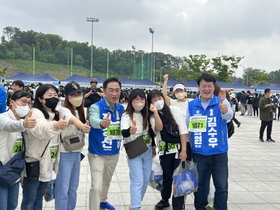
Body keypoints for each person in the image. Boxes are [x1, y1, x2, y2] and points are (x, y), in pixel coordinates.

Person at [186, 73, 233, 210]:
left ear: (214, 87)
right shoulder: (191, 105)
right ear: (198, 87)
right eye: (204, 86)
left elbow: (229, 116)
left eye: (209, 86)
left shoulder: (221, 102)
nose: (207, 89)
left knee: (222, 187)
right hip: (199, 153)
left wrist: (225, 110)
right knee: (200, 188)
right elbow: (187, 127)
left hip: (219, 153)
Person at [21, 84, 68, 210]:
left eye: (55, 95)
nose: (54, 98)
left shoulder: (54, 114)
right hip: (35, 162)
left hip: (48, 163)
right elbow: (42, 130)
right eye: (50, 95)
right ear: (41, 99)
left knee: (39, 198)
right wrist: (56, 125)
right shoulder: (35, 113)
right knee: (29, 199)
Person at [121, 89, 162, 210]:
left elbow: (157, 129)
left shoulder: (148, 114)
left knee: (145, 180)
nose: (139, 102)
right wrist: (130, 131)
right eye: (136, 99)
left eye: (142, 99)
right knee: (137, 180)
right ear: (131, 101)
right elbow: (124, 132)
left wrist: (155, 113)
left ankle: (136, 202)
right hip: (134, 151)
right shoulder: (126, 115)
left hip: (148, 150)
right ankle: (136, 207)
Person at [147, 89, 188, 210]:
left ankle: (179, 205)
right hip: (165, 151)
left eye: (159, 98)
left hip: (178, 150)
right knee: (167, 177)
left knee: (178, 177)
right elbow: (158, 128)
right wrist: (155, 113)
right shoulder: (152, 116)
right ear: (150, 103)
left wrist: (184, 150)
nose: (158, 101)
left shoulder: (174, 110)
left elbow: (183, 131)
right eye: (154, 100)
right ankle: (165, 199)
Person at [88, 77, 124, 210]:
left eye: (117, 90)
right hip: (97, 153)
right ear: (104, 91)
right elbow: (93, 120)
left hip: (114, 153)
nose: (114, 94)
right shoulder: (95, 107)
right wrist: (101, 123)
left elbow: (126, 125)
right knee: (96, 186)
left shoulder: (121, 108)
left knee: (106, 182)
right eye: (111, 90)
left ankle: (102, 202)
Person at [55, 81, 91, 210]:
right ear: (66, 96)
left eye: (78, 94)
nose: (76, 97)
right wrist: (82, 125)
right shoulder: (63, 109)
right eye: (72, 95)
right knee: (62, 189)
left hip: (76, 152)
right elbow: (70, 119)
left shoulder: (80, 110)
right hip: (65, 154)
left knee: (73, 188)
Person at [0, 90, 36, 210]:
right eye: (23, 101)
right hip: (2, 170)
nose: (26, 106)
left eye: (29, 103)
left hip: (14, 172)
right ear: (12, 102)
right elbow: (10, 125)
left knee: (12, 205)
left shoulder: (26, 121)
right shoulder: (2, 118)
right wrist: (23, 124)